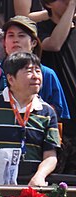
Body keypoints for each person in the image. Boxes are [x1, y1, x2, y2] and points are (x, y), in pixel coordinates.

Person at [0, 52, 59, 186]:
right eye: (29, 71)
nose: (36, 76)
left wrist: (40, 175)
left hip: (31, 186)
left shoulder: (47, 111)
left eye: (38, 71)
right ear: (11, 79)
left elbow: (50, 154)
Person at [0, 16, 69, 120]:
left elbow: (58, 110)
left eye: (21, 36)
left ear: (33, 43)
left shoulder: (47, 74)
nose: (15, 40)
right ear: (4, 42)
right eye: (11, 36)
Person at [38, 0, 76, 145]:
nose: (69, 3)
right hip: (57, 115)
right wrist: (72, 5)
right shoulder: (40, 29)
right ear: (48, 4)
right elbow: (54, 44)